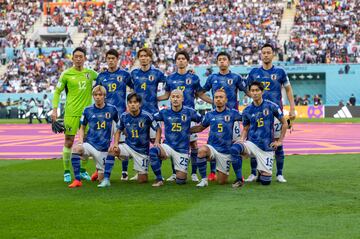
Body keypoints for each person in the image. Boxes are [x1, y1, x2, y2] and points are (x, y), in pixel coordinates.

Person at [158, 50, 212, 182]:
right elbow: (166, 95)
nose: (181, 60)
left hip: (189, 116)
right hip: (175, 115)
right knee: (172, 143)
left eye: (183, 58)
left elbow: (199, 94)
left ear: (187, 61)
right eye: (178, 58)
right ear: (176, 62)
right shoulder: (170, 78)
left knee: (193, 144)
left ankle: (193, 173)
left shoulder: (193, 78)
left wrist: (212, 102)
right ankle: (174, 173)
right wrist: (152, 99)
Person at [246, 43, 295, 183]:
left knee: (278, 143)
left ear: (273, 55)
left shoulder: (280, 72)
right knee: (255, 142)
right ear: (261, 55)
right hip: (258, 114)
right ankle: (253, 173)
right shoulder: (254, 72)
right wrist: (253, 101)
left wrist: (292, 108)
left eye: (269, 52)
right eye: (264, 52)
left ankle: (279, 174)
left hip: (276, 114)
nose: (266, 55)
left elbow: (288, 89)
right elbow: (246, 89)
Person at [52, 47, 98, 183]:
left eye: (81, 56)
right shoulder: (66, 74)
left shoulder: (90, 73)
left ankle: (83, 171)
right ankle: (67, 171)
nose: (78, 59)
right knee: (69, 141)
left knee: (87, 143)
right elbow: (57, 92)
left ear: (84, 58)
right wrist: (54, 110)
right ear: (72, 58)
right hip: (71, 113)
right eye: (76, 56)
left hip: (88, 114)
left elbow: (104, 79)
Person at [230, 81, 288, 186]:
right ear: (250, 93)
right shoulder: (247, 110)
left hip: (266, 147)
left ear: (262, 92)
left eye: (257, 90)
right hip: (252, 144)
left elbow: (284, 123)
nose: (255, 93)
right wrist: (242, 139)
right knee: (235, 148)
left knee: (265, 182)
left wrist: (279, 141)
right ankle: (239, 179)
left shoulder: (271, 106)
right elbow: (246, 128)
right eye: (252, 90)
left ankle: (261, 172)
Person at [98, 93, 161, 187]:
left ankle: (143, 173)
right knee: (112, 150)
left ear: (139, 104)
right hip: (128, 146)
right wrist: (115, 143)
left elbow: (158, 129)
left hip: (142, 151)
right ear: (127, 104)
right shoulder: (124, 116)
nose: (132, 104)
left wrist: (156, 141)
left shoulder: (147, 116)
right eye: (130, 102)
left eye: (135, 102)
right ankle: (106, 179)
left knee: (142, 180)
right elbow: (118, 131)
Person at [202, 51, 248, 181]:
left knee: (235, 145)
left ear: (229, 62)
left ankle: (239, 174)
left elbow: (246, 91)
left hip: (233, 118)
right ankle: (212, 173)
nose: (222, 61)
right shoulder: (212, 77)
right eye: (220, 59)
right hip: (216, 117)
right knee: (213, 142)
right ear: (217, 63)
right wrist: (212, 101)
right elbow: (200, 92)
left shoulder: (236, 77)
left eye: (224, 59)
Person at [190, 89, 243, 187]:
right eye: (216, 97)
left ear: (226, 100)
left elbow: (247, 119)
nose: (218, 99)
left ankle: (222, 173)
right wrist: (186, 130)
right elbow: (201, 127)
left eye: (221, 97)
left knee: (221, 182)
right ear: (214, 100)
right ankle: (204, 179)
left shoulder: (233, 113)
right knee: (202, 150)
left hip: (225, 151)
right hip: (212, 148)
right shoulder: (209, 114)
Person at [94, 49, 133, 181]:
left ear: (117, 59)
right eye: (108, 58)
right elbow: (95, 92)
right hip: (104, 116)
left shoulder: (125, 74)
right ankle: (101, 169)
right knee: (103, 143)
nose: (111, 60)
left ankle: (124, 172)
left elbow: (134, 88)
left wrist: (131, 104)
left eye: (113, 58)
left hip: (121, 115)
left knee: (122, 143)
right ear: (106, 59)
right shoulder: (101, 76)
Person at [68, 85, 119, 188]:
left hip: (104, 148)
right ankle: (77, 180)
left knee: (101, 179)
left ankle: (98, 171)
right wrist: (80, 141)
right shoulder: (87, 110)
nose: (97, 97)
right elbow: (82, 127)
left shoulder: (112, 109)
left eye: (100, 95)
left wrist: (115, 142)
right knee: (76, 149)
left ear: (105, 96)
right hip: (90, 144)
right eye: (95, 95)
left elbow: (119, 127)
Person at [150, 89, 202, 187]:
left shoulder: (189, 112)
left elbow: (203, 121)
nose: (175, 99)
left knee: (181, 181)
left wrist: (193, 129)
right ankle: (159, 179)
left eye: (177, 97)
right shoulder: (164, 112)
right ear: (170, 99)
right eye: (173, 97)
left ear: (182, 99)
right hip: (168, 146)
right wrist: (157, 133)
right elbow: (150, 119)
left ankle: (185, 173)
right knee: (153, 151)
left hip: (182, 150)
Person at [130, 48, 166, 180]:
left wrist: (160, 98)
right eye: (141, 56)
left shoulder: (157, 73)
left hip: (153, 113)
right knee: (140, 143)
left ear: (150, 58)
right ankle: (141, 170)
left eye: (146, 56)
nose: (143, 58)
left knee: (155, 142)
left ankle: (158, 171)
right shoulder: (134, 73)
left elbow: (170, 83)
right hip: (138, 114)